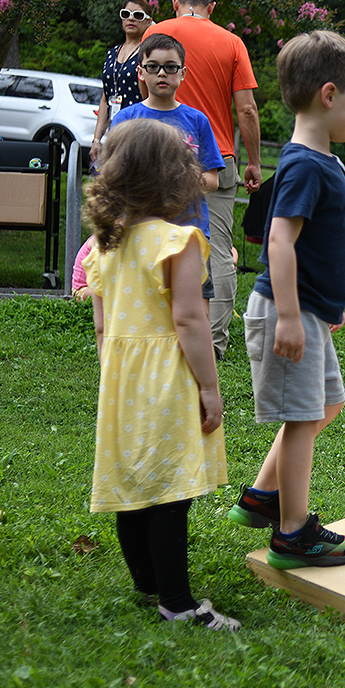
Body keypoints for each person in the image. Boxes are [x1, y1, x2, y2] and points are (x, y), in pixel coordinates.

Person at [82, 118, 237, 631]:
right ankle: (177, 603)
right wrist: (209, 387)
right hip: (167, 376)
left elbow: (102, 325)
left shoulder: (105, 243)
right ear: (173, 179)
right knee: (171, 490)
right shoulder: (178, 241)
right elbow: (190, 319)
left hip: (121, 377)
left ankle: (147, 581)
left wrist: (114, 375)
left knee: (134, 481)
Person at [226, 31, 345, 570]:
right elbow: (279, 240)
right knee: (303, 417)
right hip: (287, 312)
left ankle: (264, 496)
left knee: (325, 406)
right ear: (329, 95)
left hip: (309, 311)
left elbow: (319, 243)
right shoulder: (306, 165)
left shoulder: (322, 161)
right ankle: (292, 534)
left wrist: (327, 304)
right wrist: (288, 315)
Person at [146, 0, 263, 359]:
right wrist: (254, 162)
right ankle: (213, 342)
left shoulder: (156, 34)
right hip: (216, 159)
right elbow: (246, 109)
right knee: (218, 250)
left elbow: (144, 94)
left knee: (156, 241)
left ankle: (161, 332)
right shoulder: (231, 42)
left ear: (174, 2)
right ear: (212, 6)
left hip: (158, 154)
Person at [109, 33, 226, 308]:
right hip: (137, 230)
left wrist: (175, 176)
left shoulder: (197, 120)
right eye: (153, 66)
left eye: (170, 67)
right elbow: (112, 179)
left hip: (190, 233)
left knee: (195, 310)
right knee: (144, 307)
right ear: (141, 72)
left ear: (182, 73)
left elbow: (212, 180)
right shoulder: (127, 118)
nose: (162, 73)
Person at [90, 0, 152, 163]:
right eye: (126, 14)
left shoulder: (147, 54)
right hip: (114, 132)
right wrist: (97, 139)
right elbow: (105, 99)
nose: (131, 18)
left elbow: (150, 98)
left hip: (138, 132)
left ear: (148, 21)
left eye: (138, 15)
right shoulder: (112, 53)